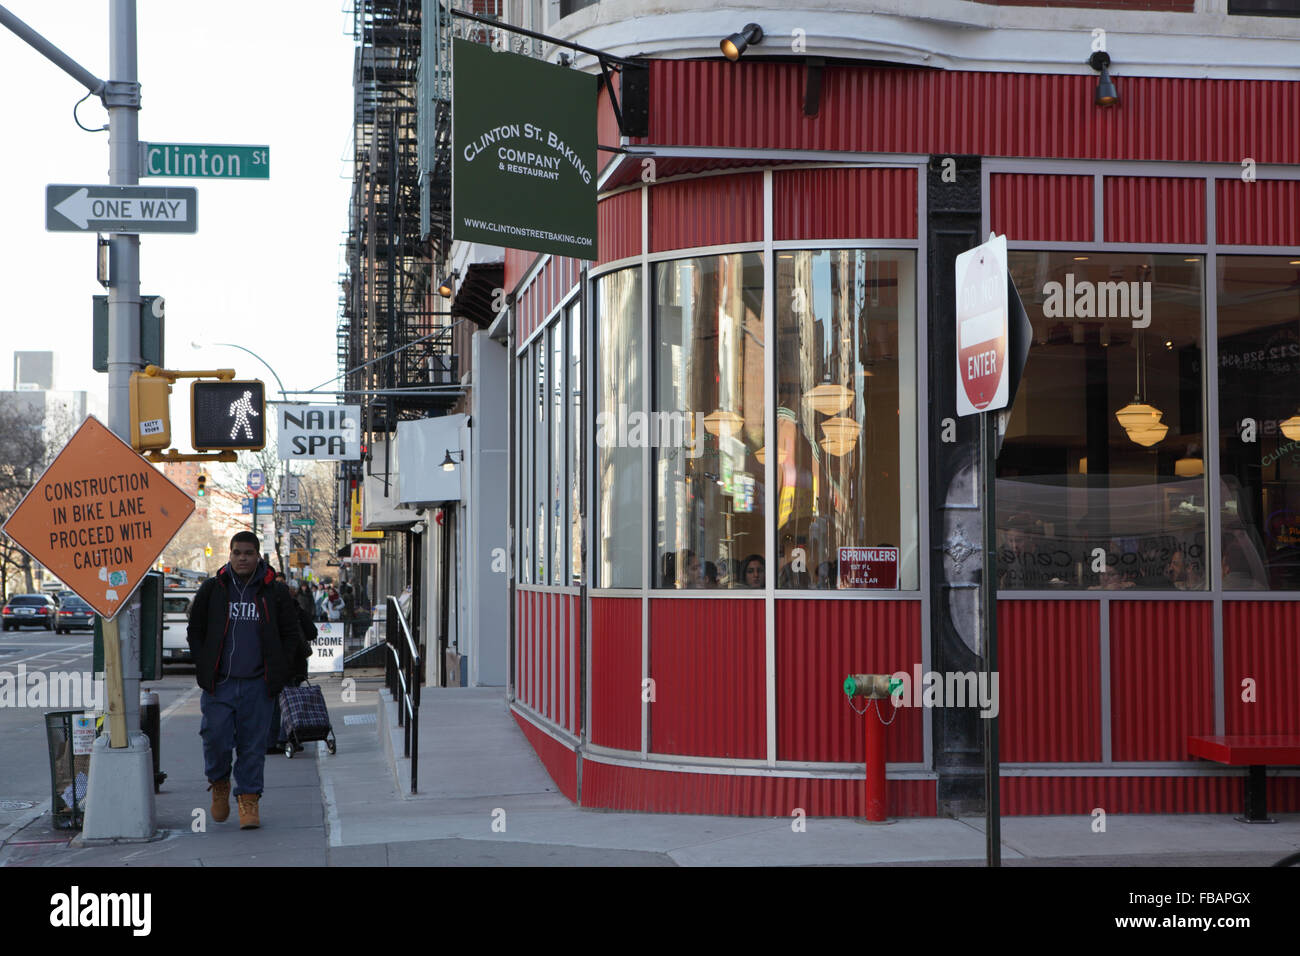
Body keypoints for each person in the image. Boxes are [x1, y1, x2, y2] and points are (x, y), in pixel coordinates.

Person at [187, 531, 302, 829]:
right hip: (220, 683)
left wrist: (278, 670)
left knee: (253, 746)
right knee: (215, 738)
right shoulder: (213, 589)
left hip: (258, 684)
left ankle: (249, 798)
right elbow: (195, 629)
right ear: (230, 554)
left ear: (258, 556)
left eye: (248, 553)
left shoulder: (273, 593)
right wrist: (203, 665)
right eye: (237, 552)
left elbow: (291, 634)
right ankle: (220, 782)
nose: (242, 558)